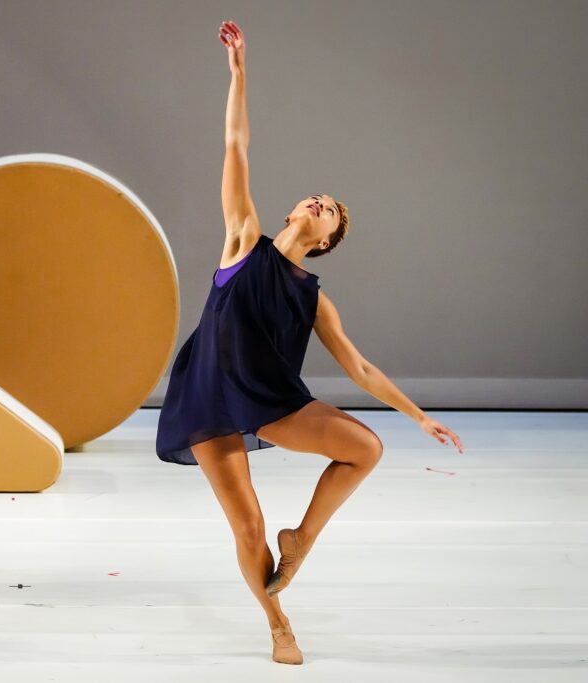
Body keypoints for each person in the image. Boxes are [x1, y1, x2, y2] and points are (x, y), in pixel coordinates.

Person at [155, 20, 463, 665]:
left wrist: (420, 415)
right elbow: (235, 145)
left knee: (365, 447)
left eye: (330, 211)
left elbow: (360, 366)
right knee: (246, 526)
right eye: (317, 199)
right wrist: (238, 74)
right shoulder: (244, 240)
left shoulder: (315, 298)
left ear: (325, 241)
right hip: (210, 395)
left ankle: (303, 540)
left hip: (271, 401)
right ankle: (277, 622)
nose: (320, 203)